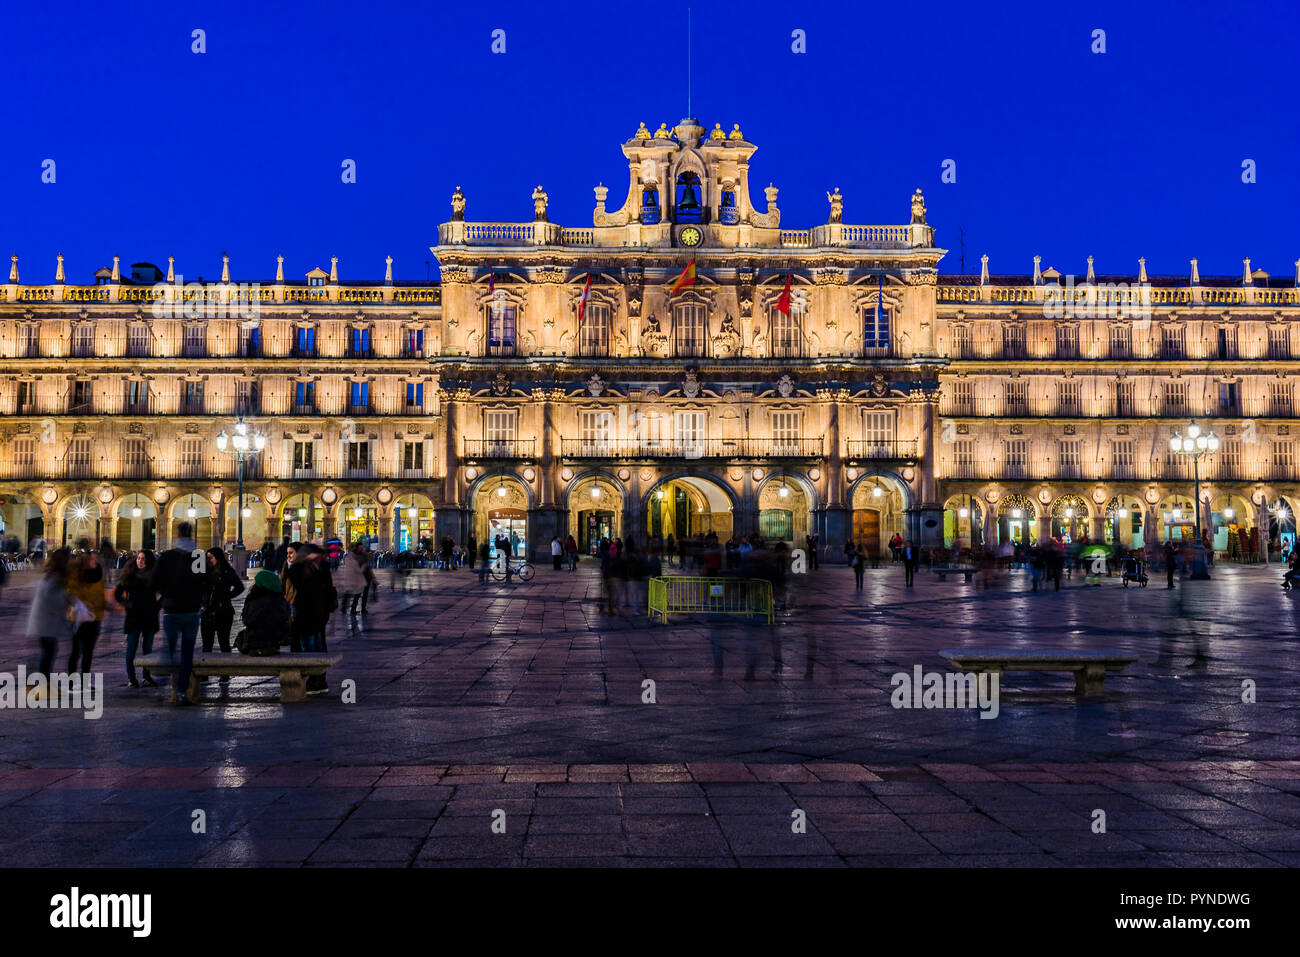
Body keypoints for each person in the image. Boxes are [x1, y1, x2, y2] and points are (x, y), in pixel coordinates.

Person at [151, 521, 208, 705]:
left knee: (170, 647)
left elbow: (155, 582)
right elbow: (204, 583)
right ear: (192, 535)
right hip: (191, 611)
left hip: (172, 610)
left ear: (177, 535)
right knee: (187, 653)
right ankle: (182, 692)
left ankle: (165, 674)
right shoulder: (198, 556)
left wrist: (165, 595)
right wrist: (198, 599)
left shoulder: (167, 556)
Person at [285, 543, 337, 694]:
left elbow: (296, 580)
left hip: (308, 615)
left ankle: (315, 682)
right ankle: (319, 681)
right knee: (317, 647)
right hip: (318, 615)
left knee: (310, 648)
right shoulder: (319, 568)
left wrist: (295, 563)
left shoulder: (307, 569)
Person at [27, 547, 73, 693]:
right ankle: (42, 686)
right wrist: (68, 600)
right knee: (48, 653)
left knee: (48, 652)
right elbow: (49, 597)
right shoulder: (55, 577)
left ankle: (43, 685)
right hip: (44, 622)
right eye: (69, 558)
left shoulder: (53, 575)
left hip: (45, 621)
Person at [115, 549, 160, 688]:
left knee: (148, 649)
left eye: (144, 559)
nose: (141, 561)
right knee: (131, 649)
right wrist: (126, 604)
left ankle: (146, 677)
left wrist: (157, 606)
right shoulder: (129, 575)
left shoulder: (154, 576)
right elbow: (118, 593)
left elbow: (164, 592)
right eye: (139, 558)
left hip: (149, 616)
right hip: (134, 616)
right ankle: (131, 678)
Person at [201, 547, 245, 679]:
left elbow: (240, 587)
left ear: (218, 558)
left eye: (211, 557)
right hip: (207, 611)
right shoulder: (204, 571)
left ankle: (225, 673)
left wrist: (227, 596)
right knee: (207, 644)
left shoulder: (227, 571)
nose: (209, 560)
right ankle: (204, 673)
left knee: (224, 642)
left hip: (223, 611)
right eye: (207, 557)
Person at [67, 550, 108, 681]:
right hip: (79, 618)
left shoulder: (98, 575)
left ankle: (85, 683)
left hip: (95, 618)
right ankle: (72, 683)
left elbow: (101, 595)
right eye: (92, 559)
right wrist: (84, 602)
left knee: (88, 652)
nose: (95, 561)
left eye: (97, 559)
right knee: (76, 652)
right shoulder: (76, 576)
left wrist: (106, 605)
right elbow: (70, 594)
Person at [235, 570, 292, 656]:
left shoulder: (254, 599)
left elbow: (247, 621)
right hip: (274, 641)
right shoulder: (280, 601)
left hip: (254, 642)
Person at [338, 541, 371, 616]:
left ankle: (361, 608)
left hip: (365, 576)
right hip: (356, 577)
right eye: (360, 547)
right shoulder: (352, 556)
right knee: (354, 593)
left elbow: (368, 561)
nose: (361, 549)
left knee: (361, 593)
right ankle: (350, 608)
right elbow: (357, 568)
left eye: (362, 547)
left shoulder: (362, 555)